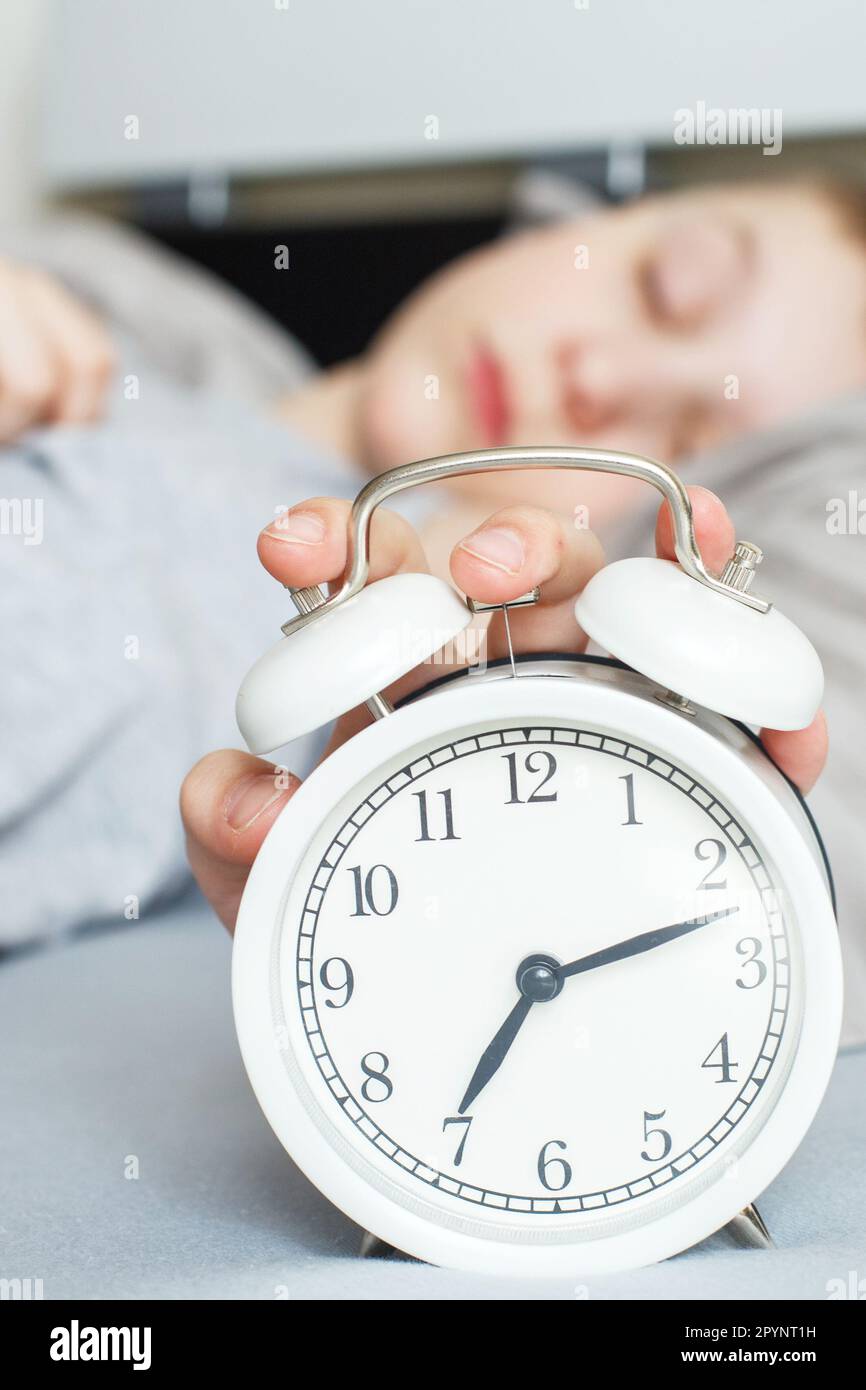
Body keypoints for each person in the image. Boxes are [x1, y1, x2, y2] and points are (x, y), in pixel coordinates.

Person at [1, 175, 864, 1039]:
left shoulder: (380, 627)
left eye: (685, 443)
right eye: (668, 283)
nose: (598, 376)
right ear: (563, 223)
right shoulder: (102, 290)